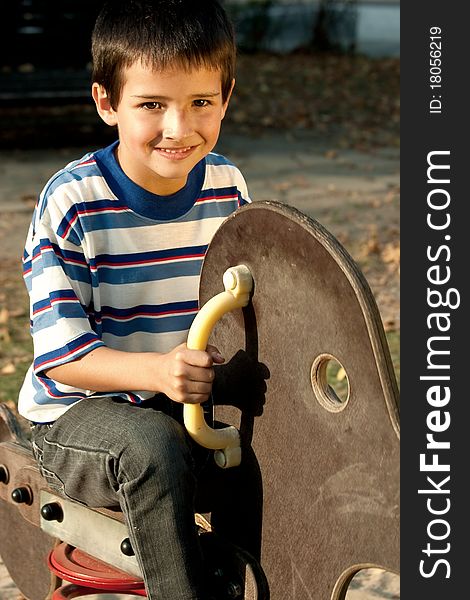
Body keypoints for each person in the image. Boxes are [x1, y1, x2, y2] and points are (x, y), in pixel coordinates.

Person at [17, 1, 250, 598]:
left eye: (201, 102)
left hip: (181, 395)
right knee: (151, 446)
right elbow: (64, 358)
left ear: (226, 97)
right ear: (106, 102)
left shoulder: (228, 187)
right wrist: (160, 373)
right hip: (77, 416)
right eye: (152, 105)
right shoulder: (73, 203)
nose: (179, 128)